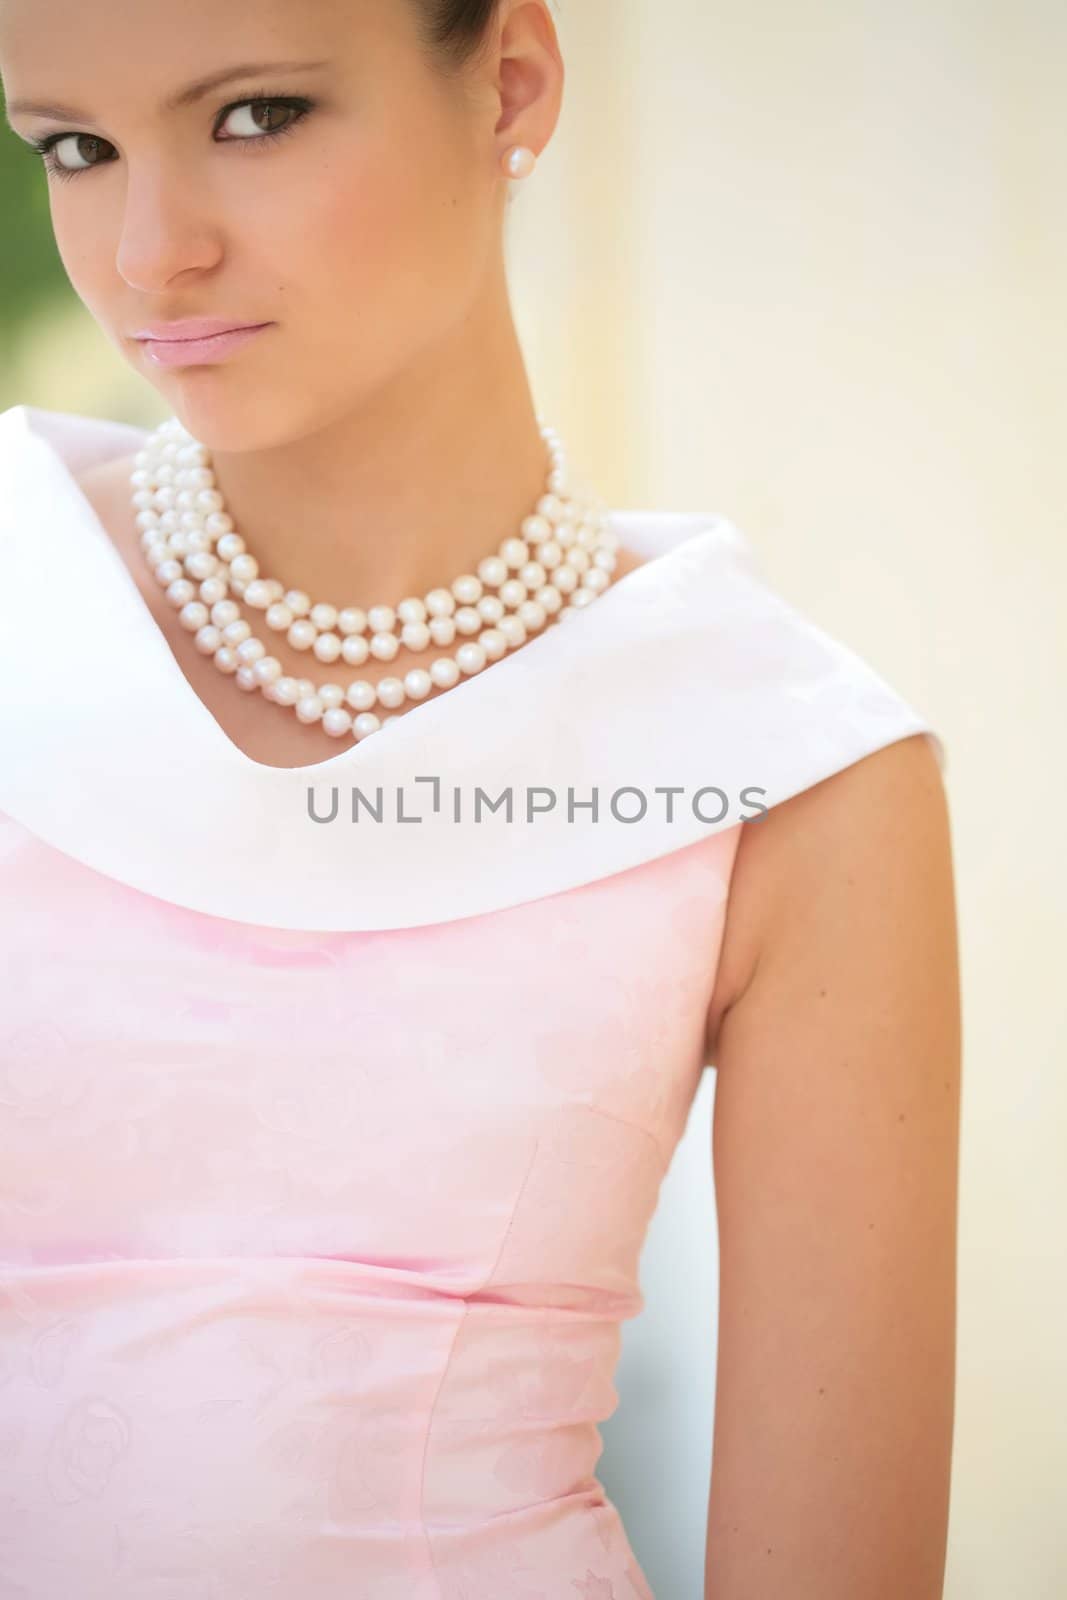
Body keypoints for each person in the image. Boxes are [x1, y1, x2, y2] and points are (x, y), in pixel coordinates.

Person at [0, 2, 961, 1597]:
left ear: (511, 80)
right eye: (76, 149)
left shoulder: (789, 771)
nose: (149, 255)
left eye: (255, 117)